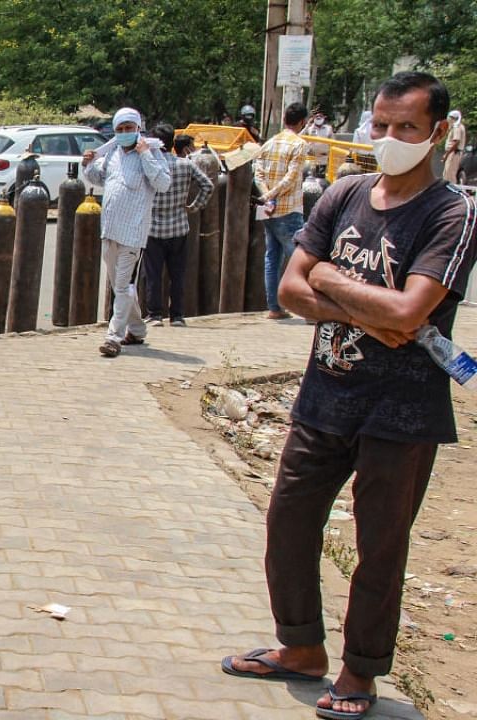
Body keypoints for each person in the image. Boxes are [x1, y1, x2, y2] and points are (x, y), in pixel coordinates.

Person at [222, 71, 477, 720]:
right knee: (288, 522)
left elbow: (415, 306)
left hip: (403, 412)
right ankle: (300, 646)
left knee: (380, 547)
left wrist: (333, 283)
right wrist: (375, 314)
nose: (390, 139)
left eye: (408, 129)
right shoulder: (346, 192)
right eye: (381, 126)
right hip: (324, 397)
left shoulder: (451, 213)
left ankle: (360, 673)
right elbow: (290, 291)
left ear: (438, 132)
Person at [81, 107, 172, 357]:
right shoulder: (112, 155)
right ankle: (138, 329)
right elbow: (99, 179)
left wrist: (145, 155)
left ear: (138, 129)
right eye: (119, 130)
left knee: (122, 286)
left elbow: (163, 183)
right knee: (120, 286)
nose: (124, 133)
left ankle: (113, 337)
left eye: (128, 129)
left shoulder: (152, 152)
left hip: (133, 234)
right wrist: (87, 163)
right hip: (109, 230)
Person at [142, 127, 212, 327]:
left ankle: (154, 315)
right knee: (178, 274)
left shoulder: (150, 167)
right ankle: (177, 316)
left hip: (153, 228)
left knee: (153, 274)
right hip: (179, 227)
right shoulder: (185, 165)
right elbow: (208, 185)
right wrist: (194, 206)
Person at [254, 102, 310, 320]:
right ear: (302, 122)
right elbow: (292, 177)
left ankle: (275, 308)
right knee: (300, 259)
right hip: (289, 210)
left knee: (272, 258)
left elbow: (258, 174)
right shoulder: (299, 145)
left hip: (269, 211)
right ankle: (308, 310)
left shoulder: (269, 143)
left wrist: (267, 195)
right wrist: (272, 195)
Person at [302, 109, 335, 175]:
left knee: (320, 178)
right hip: (311, 158)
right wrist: (307, 125)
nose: (318, 117)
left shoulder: (328, 128)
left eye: (320, 116)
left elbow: (333, 142)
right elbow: (301, 136)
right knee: (310, 177)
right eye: (316, 116)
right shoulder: (309, 128)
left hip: (323, 159)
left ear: (324, 117)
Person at [442, 109, 465, 183]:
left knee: (449, 175)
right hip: (453, 153)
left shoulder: (457, 127)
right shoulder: (459, 126)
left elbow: (456, 141)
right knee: (447, 174)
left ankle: (449, 193)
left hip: (453, 153)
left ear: (453, 118)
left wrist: (447, 154)